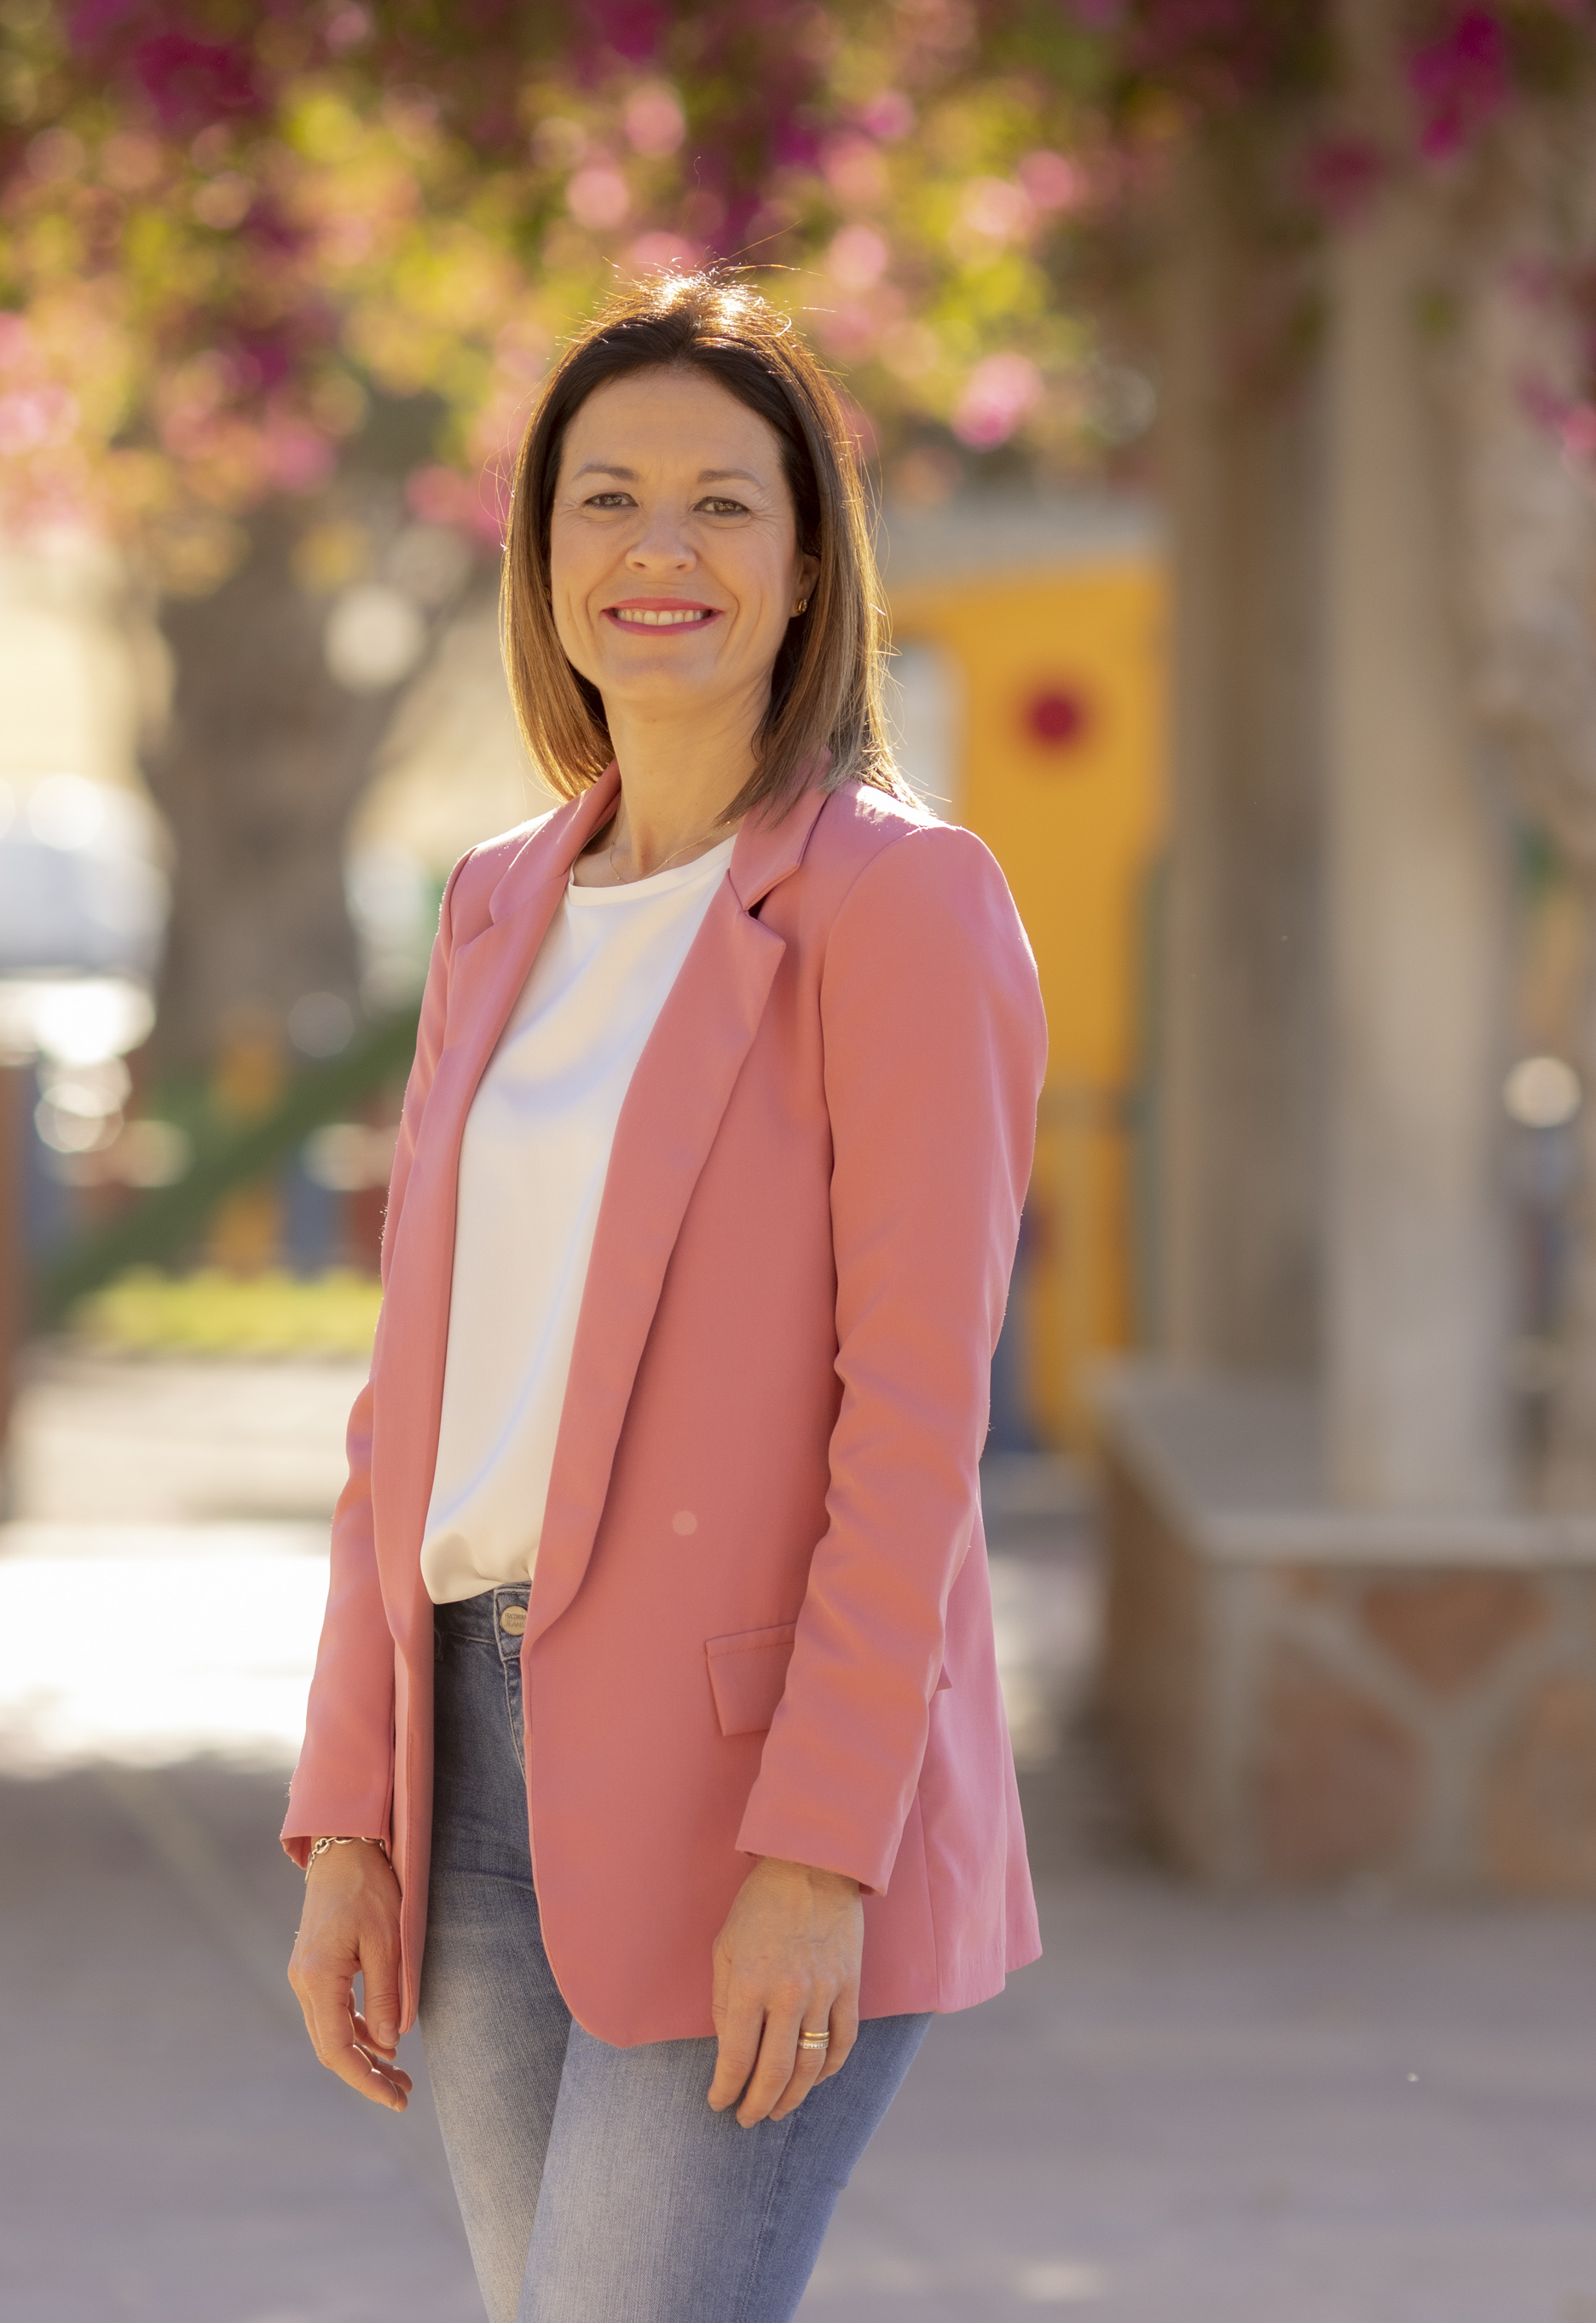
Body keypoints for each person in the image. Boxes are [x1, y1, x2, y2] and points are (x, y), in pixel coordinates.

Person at [280, 270, 1048, 2323]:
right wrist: (345, 1812)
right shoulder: (493, 905)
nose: (658, 551)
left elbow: (912, 1428)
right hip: (471, 1760)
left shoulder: (899, 910)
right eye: (604, 500)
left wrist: (818, 1859)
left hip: (756, 1783)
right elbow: (407, 1405)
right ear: (538, 561)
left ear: (808, 569)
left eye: (723, 505)